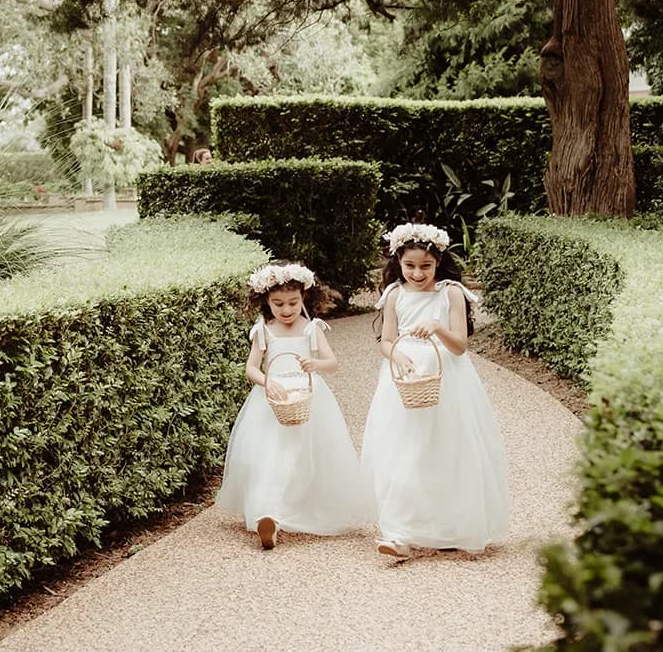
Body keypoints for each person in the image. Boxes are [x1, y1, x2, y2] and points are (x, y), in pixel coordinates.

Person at [360, 223, 509, 562]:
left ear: (438, 261)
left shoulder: (450, 293)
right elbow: (386, 341)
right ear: (398, 261)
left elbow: (460, 346)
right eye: (410, 265)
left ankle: (449, 526)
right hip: (404, 376)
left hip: (448, 378)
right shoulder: (395, 295)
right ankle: (400, 532)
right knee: (404, 450)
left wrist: (438, 327)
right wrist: (397, 354)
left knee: (446, 451)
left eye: (425, 266)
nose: (417, 273)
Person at [214, 261, 368, 549]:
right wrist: (266, 380)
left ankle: (299, 505)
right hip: (273, 398)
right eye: (278, 304)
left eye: (293, 303)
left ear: (304, 298)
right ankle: (268, 514)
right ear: (266, 302)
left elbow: (332, 363)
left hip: (307, 397)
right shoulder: (264, 329)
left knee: (303, 453)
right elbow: (251, 368)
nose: (286, 310)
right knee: (269, 455)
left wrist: (315, 363)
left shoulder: (311, 328)